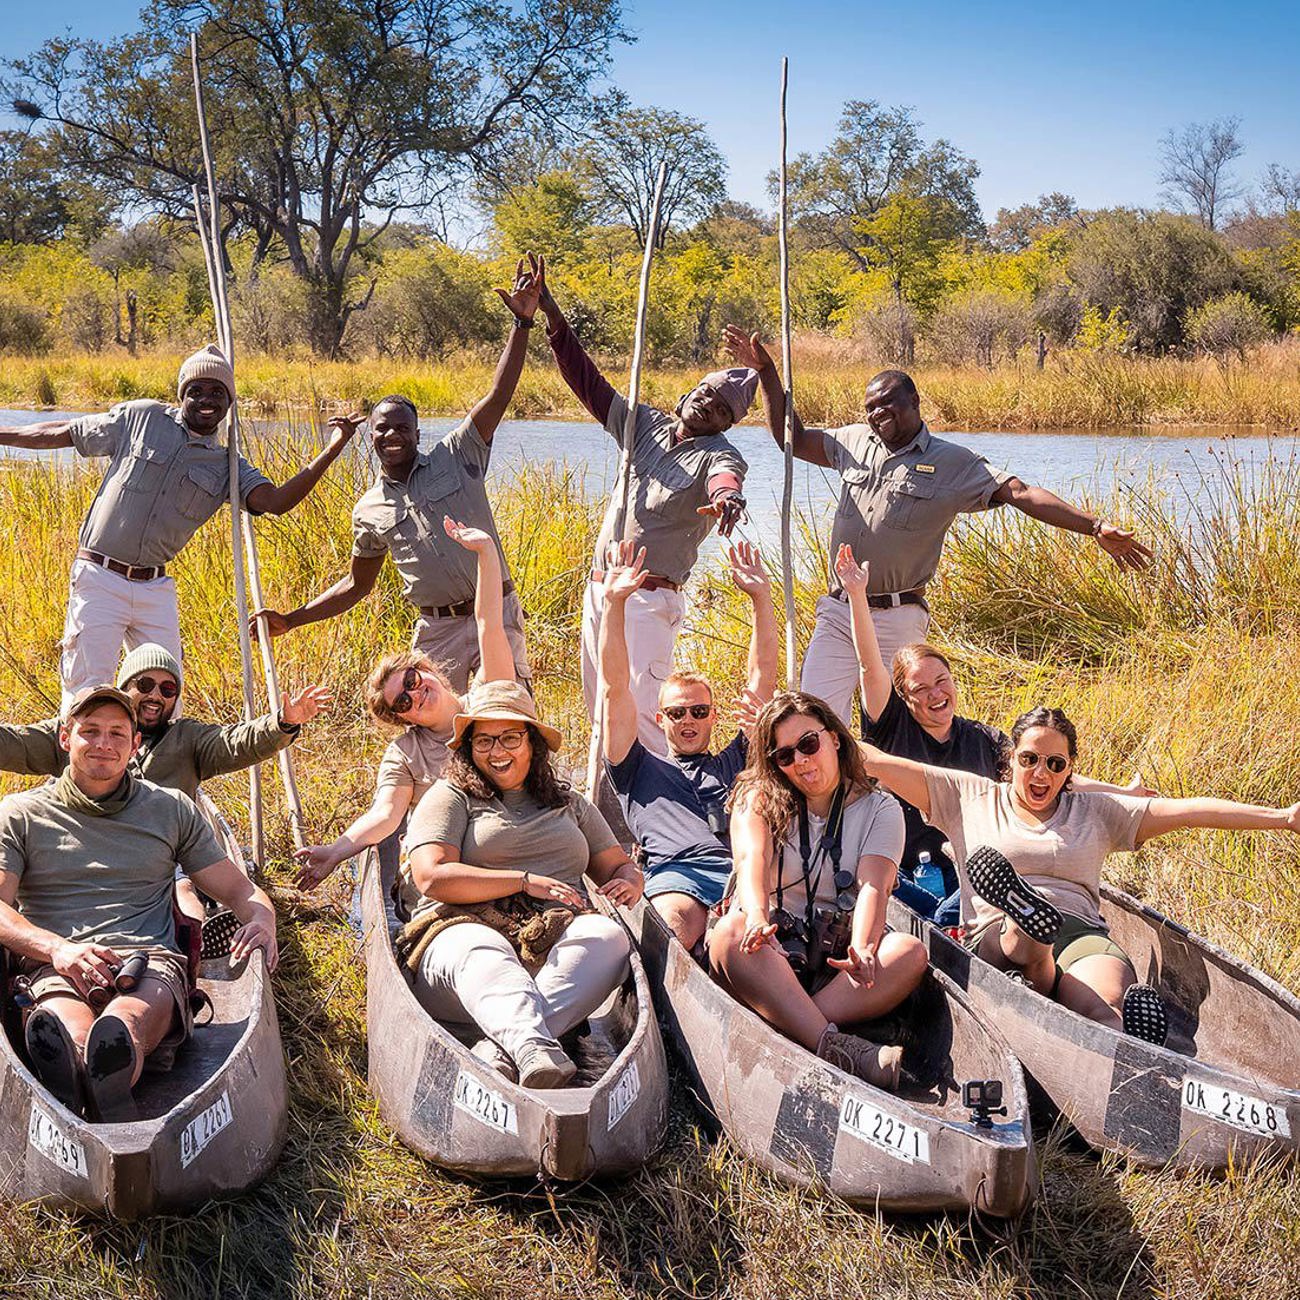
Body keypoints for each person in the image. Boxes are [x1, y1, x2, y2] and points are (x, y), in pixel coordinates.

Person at [722, 327, 1154, 724]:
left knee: (900, 726)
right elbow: (788, 437)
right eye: (870, 408)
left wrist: (1094, 526)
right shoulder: (852, 441)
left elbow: (1020, 493)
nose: (877, 414)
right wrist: (768, 373)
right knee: (814, 719)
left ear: (915, 403)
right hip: (838, 611)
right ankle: (826, 806)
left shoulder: (952, 462)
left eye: (887, 403)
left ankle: (900, 805)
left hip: (898, 616)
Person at [859, 706, 1300, 1043]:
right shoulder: (967, 794)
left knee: (1104, 1004)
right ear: (1010, 759)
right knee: (1022, 937)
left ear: (1070, 769)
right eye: (1030, 759)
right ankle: (1028, 924)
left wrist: (1283, 817)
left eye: (1055, 764)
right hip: (994, 932)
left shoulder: (1095, 810)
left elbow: (1187, 811)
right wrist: (808, 730)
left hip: (1079, 930)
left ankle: (1123, 1036)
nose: (1041, 773)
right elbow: (876, 760)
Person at [0, 345, 359, 710]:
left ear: (229, 401)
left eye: (218, 392)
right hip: (100, 577)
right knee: (87, 691)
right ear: (181, 395)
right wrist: (2, 435)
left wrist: (334, 447)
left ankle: (149, 766)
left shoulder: (227, 465)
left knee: (166, 696)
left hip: (154, 588)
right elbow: (64, 431)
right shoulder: (142, 419)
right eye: (197, 391)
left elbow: (276, 502)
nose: (207, 400)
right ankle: (77, 763)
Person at [255, 259, 546, 692]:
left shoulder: (458, 452)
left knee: (507, 713)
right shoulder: (369, 510)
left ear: (416, 432)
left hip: (496, 612)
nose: (393, 435)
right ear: (370, 436)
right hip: (437, 630)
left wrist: (521, 324)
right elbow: (356, 586)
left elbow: (498, 394)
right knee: (437, 729)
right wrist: (291, 620)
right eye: (382, 428)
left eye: (402, 427)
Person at [836, 543, 1154, 925]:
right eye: (922, 689)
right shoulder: (891, 725)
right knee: (915, 904)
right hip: (904, 871)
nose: (937, 694)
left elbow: (1048, 774)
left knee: (988, 885)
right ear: (903, 697)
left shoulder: (982, 739)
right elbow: (869, 667)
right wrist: (857, 594)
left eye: (942, 681)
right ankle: (954, 922)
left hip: (971, 870)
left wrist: (1122, 793)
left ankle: (982, 917)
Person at [0, 685, 278, 1121]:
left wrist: (263, 918)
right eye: (90, 731)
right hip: (55, 963)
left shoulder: (171, 809)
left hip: (147, 962)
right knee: (68, 1024)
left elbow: (238, 890)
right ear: (65, 737)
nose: (103, 744)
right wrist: (57, 949)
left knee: (123, 1023)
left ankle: (105, 1073)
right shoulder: (20, 813)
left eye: (116, 733)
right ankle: (73, 1069)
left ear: (134, 745)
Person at [536, 255, 755, 754]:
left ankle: (656, 821)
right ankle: (604, 815)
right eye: (705, 395)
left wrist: (727, 500)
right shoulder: (644, 426)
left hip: (649, 600)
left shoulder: (720, 453)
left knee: (643, 712)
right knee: (600, 708)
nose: (708, 407)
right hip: (602, 588)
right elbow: (587, 382)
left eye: (722, 409)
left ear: (726, 423)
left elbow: (726, 481)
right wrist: (552, 315)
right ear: (687, 393)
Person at [402, 680, 643, 1088]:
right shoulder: (452, 797)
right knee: (487, 951)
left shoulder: (569, 803)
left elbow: (618, 868)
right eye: (484, 741)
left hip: (552, 945)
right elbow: (431, 876)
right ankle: (530, 1046)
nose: (497, 752)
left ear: (533, 743)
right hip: (460, 936)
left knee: (608, 937)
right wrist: (525, 881)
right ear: (468, 748)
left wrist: (629, 881)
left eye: (510, 738)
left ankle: (504, 1052)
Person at [0, 642, 329, 927]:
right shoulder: (85, 731)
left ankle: (193, 941)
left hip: (165, 856)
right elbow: (17, 744)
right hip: (88, 851)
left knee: (181, 887)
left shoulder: (188, 738)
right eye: (145, 684)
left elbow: (236, 742)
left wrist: (282, 723)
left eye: (167, 689)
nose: (156, 695)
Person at [708, 692, 929, 1089]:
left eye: (809, 745)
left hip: (830, 959)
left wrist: (862, 946)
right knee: (730, 934)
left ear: (835, 739)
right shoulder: (757, 797)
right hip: (771, 952)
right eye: (785, 756)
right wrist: (759, 918)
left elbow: (873, 886)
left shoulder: (881, 808)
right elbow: (752, 863)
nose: (801, 762)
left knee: (908, 953)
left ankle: (794, 1024)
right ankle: (838, 1047)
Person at [292, 518, 519, 890]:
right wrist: (335, 850)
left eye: (412, 680)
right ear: (404, 718)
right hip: (449, 863)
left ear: (425, 669)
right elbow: (385, 814)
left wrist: (486, 552)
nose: (415, 694)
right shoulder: (406, 754)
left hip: (506, 846)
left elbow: (488, 623)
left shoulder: (487, 697)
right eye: (403, 701)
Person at [598, 537, 778, 948]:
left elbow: (761, 680)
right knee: (676, 920)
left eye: (699, 711)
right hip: (677, 874)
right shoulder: (636, 766)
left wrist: (761, 598)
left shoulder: (737, 762)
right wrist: (614, 604)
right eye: (677, 713)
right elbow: (614, 688)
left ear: (714, 715)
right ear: (660, 719)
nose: (688, 721)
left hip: (745, 872)